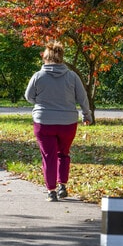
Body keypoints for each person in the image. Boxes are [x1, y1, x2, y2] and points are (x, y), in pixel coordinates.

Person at [24, 41, 92, 202]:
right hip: (67, 123)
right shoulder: (72, 76)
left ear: (45, 58)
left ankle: (51, 191)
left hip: (43, 122)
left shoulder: (38, 76)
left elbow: (28, 96)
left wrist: (41, 104)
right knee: (63, 153)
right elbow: (82, 98)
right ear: (61, 57)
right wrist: (86, 115)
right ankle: (62, 185)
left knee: (49, 156)